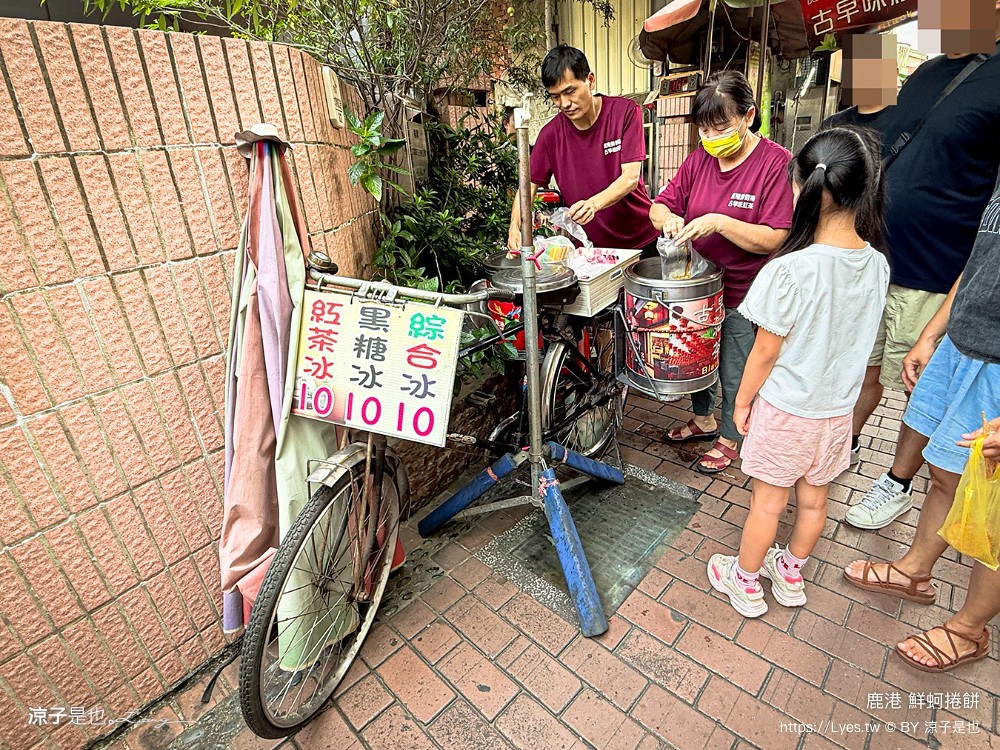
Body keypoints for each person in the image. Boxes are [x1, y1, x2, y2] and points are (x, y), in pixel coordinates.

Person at [706, 127, 890, 617]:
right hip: (835, 415)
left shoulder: (787, 270)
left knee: (768, 504)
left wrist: (741, 402)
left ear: (802, 188)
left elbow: (763, 353)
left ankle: (743, 580)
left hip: (786, 410)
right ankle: (790, 575)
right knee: (814, 503)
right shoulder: (877, 266)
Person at [844, 5, 1000, 530]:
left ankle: (898, 481)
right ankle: (844, 443)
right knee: (863, 366)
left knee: (917, 383)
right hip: (873, 258)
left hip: (936, 269)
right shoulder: (929, 71)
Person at [844, 172, 1000, 671]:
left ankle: (969, 629)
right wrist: (934, 333)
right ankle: (915, 570)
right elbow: (980, 260)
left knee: (994, 505)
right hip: (963, 346)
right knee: (944, 473)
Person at [650, 71, 794, 473]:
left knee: (734, 366)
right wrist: (667, 220)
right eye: (704, 129)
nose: (712, 138)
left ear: (748, 116)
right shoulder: (699, 160)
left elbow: (775, 237)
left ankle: (731, 435)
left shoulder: (775, 162)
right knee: (695, 357)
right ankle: (703, 419)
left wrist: (719, 221)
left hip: (745, 293)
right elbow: (659, 204)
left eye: (722, 127)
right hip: (698, 289)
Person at [507, 45, 660, 255]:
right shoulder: (550, 136)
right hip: (592, 251)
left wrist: (593, 204)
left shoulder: (624, 112)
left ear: (590, 80)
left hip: (643, 242)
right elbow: (527, 187)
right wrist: (514, 228)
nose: (565, 103)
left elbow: (630, 178)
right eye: (555, 97)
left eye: (570, 92)